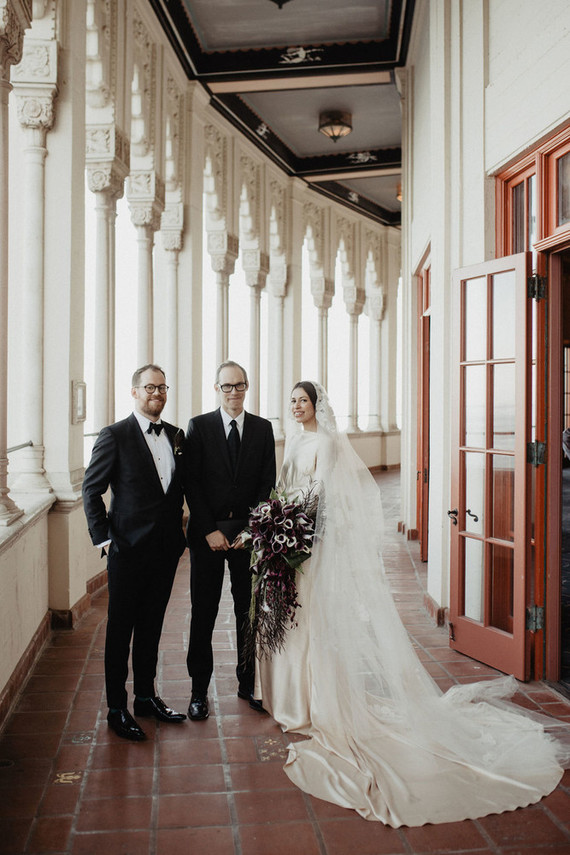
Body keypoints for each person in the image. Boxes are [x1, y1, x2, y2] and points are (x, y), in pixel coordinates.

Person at [256, 380, 570, 826]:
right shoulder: (294, 439)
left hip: (312, 545)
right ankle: (299, 699)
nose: (296, 406)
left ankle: (321, 704)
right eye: (292, 401)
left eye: (303, 400)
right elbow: (286, 487)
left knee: (318, 624)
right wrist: (275, 522)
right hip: (293, 545)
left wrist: (298, 531)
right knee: (301, 623)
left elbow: (321, 496)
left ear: (317, 405)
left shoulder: (325, 443)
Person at [82, 365, 187, 741]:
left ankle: (145, 697)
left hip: (165, 551)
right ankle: (116, 708)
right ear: (134, 392)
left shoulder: (176, 436)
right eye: (149, 387)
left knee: (151, 627)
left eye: (162, 387)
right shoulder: (114, 435)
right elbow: (91, 491)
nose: (156, 393)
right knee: (119, 631)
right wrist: (106, 541)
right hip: (127, 551)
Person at [185, 360, 276, 721]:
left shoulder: (263, 428)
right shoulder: (199, 427)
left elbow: (266, 483)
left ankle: (247, 683)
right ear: (216, 389)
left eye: (239, 386)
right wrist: (209, 529)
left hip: (246, 538)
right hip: (207, 536)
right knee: (203, 614)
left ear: (247, 387)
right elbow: (191, 482)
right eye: (227, 386)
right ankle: (197, 692)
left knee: (246, 613)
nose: (234, 392)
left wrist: (251, 530)